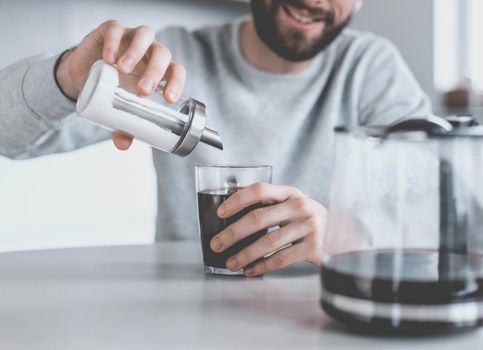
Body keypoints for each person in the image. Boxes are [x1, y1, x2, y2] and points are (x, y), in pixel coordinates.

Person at [0, 0, 431, 276]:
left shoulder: (370, 70)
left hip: (320, 316)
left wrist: (344, 235)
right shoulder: (167, 64)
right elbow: (8, 137)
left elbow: (442, 213)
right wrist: (68, 78)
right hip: (185, 312)